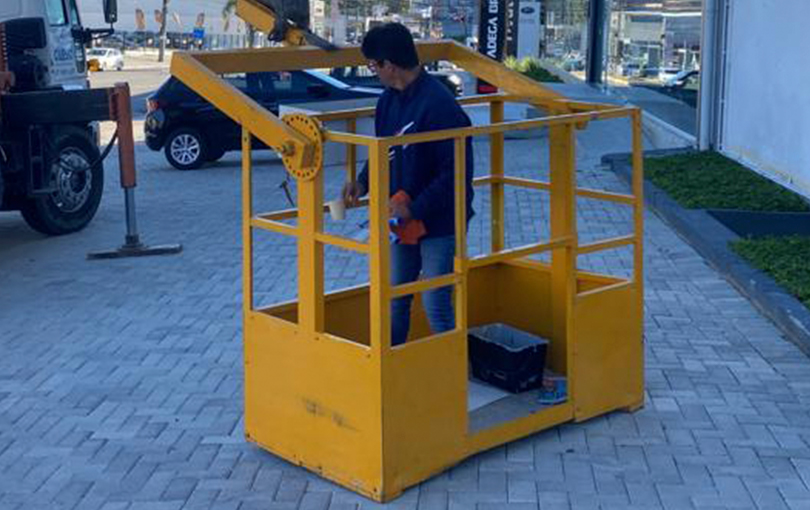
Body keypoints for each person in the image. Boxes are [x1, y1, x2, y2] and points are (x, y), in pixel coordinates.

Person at [342, 22, 475, 346]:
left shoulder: (440, 105)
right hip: (403, 220)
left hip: (439, 221)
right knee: (396, 296)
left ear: (389, 64)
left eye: (373, 65)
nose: (374, 72)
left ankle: (452, 373)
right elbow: (382, 150)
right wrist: (362, 184)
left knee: (435, 302)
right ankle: (393, 368)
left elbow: (456, 173)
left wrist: (414, 206)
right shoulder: (387, 101)